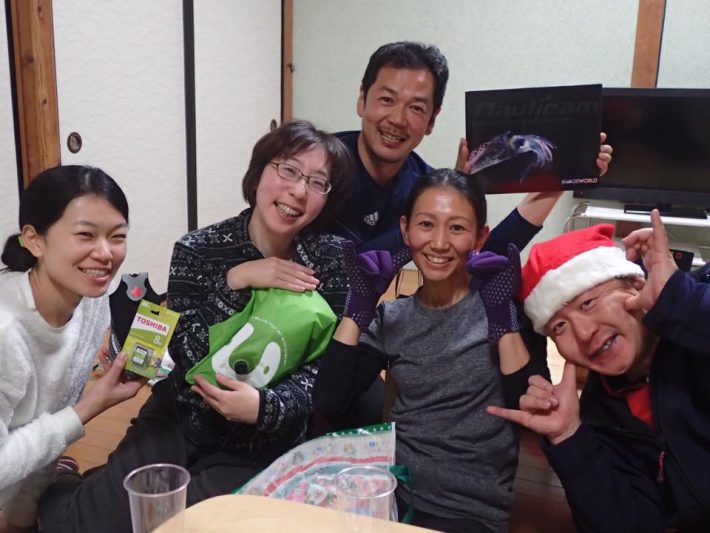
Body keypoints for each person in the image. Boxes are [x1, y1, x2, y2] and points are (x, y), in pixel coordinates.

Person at [38, 120, 355, 533]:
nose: (298, 190)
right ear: (259, 173)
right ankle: (67, 479)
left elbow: (324, 369)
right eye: (289, 170)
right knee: (81, 525)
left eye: (317, 182)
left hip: (263, 439)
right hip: (181, 416)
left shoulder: (332, 258)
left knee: (186, 526)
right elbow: (185, 354)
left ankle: (111, 484)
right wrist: (235, 281)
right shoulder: (199, 249)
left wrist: (265, 408)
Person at [314, 169, 546, 533]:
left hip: (471, 512)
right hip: (394, 496)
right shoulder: (393, 317)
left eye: (457, 228)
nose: (439, 243)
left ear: (480, 237)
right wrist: (356, 310)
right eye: (426, 224)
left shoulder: (504, 307)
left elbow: (530, 408)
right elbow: (330, 400)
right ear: (405, 230)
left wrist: (502, 319)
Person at [488, 211, 710, 532]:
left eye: (588, 303)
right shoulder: (603, 410)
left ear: (636, 284)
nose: (584, 332)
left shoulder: (696, 311)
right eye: (559, 326)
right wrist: (569, 437)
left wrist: (680, 302)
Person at [329, 41, 613, 254]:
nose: (398, 119)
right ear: (362, 100)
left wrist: (559, 181)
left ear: (431, 120)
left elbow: (481, 260)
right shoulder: (319, 164)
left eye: (416, 108)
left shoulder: (421, 187)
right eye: (387, 100)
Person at [0, 165, 144, 532]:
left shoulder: (90, 299)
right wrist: (90, 407)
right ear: (34, 240)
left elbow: (54, 409)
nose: (105, 253)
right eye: (85, 235)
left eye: (117, 236)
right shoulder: (5, 332)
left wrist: (22, 519)